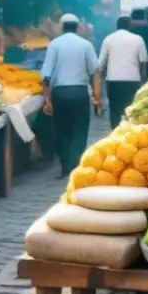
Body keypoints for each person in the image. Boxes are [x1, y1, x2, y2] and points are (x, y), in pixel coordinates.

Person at [41, 14, 101, 177]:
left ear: (62, 27)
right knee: (80, 130)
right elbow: (95, 72)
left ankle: (66, 165)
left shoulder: (54, 44)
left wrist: (47, 99)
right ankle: (75, 165)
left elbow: (46, 75)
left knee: (62, 130)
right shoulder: (86, 45)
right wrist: (97, 98)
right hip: (80, 92)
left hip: (60, 93)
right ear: (77, 27)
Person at [98, 16, 148, 127]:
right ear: (129, 26)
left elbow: (100, 64)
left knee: (115, 110)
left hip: (113, 81)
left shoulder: (108, 39)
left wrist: (97, 84)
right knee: (131, 109)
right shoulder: (138, 39)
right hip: (133, 80)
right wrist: (143, 81)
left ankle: (115, 131)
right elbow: (143, 62)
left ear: (117, 26)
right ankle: (128, 132)